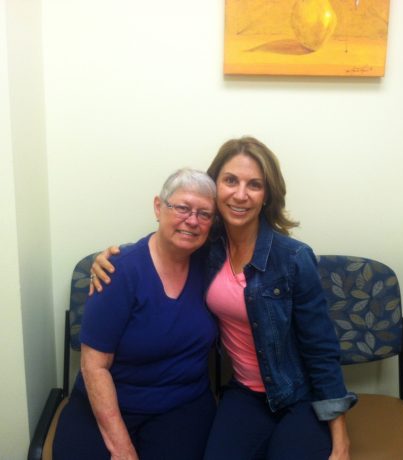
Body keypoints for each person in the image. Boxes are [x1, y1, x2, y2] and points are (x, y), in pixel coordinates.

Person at [91, 137, 357, 460]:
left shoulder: (293, 258)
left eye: (254, 184)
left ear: (266, 195)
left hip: (296, 397)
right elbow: (163, 245)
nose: (241, 194)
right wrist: (111, 259)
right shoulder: (207, 247)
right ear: (216, 189)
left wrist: (340, 440)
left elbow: (321, 349)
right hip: (243, 395)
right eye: (231, 181)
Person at [53, 168, 218, 460]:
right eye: (181, 207)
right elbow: (94, 367)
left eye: (204, 214)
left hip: (183, 405)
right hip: (108, 403)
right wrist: (121, 448)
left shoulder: (213, 266)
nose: (192, 220)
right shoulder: (118, 271)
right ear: (158, 207)